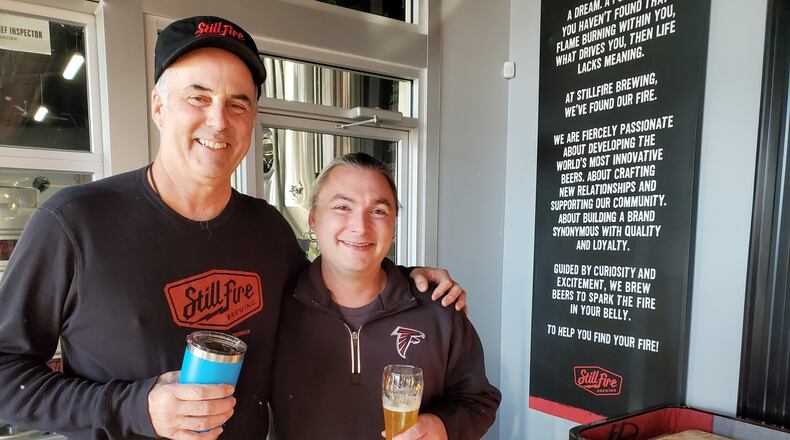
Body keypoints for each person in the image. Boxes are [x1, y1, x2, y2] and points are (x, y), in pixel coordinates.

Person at [0, 16, 466, 440]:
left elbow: (329, 288)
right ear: (159, 106)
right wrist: (135, 406)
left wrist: (409, 278)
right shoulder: (73, 223)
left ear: (252, 121)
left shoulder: (267, 229)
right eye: (197, 97)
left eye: (237, 103)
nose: (218, 120)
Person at [270, 153, 501, 440]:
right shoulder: (276, 308)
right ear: (313, 219)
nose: (361, 227)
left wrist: (441, 427)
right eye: (343, 207)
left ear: (393, 224)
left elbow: (479, 400)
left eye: (378, 212)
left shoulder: (438, 309)